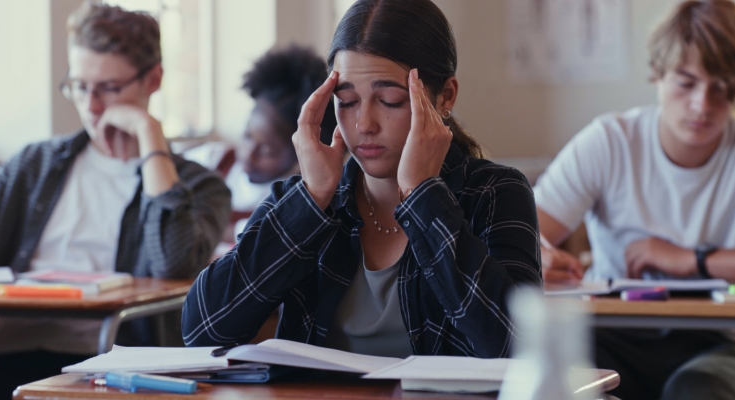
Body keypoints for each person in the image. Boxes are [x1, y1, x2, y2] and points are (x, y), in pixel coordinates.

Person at [534, 1, 735, 399]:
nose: (702, 105)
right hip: (618, 335)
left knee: (699, 389)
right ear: (658, 73)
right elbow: (518, 237)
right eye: (686, 83)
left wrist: (693, 260)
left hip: (733, 344)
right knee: (553, 378)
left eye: (722, 87)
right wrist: (538, 254)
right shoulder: (609, 142)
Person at [182, 0, 540, 358]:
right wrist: (311, 200)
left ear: (444, 97)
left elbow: (518, 348)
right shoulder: (311, 198)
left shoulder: (495, 192)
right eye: (348, 101)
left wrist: (423, 196)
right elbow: (202, 330)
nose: (364, 125)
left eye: (389, 100)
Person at [0, 3, 230, 399]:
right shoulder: (38, 163)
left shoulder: (200, 185)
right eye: (80, 86)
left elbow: (174, 262)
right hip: (3, 352)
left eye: (109, 88)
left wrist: (149, 136)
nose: (92, 105)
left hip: (109, 363)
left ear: (152, 79)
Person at [223, 46, 337, 237]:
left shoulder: (289, 203)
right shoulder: (216, 159)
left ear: (298, 156)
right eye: (247, 135)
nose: (248, 154)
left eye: (268, 151)